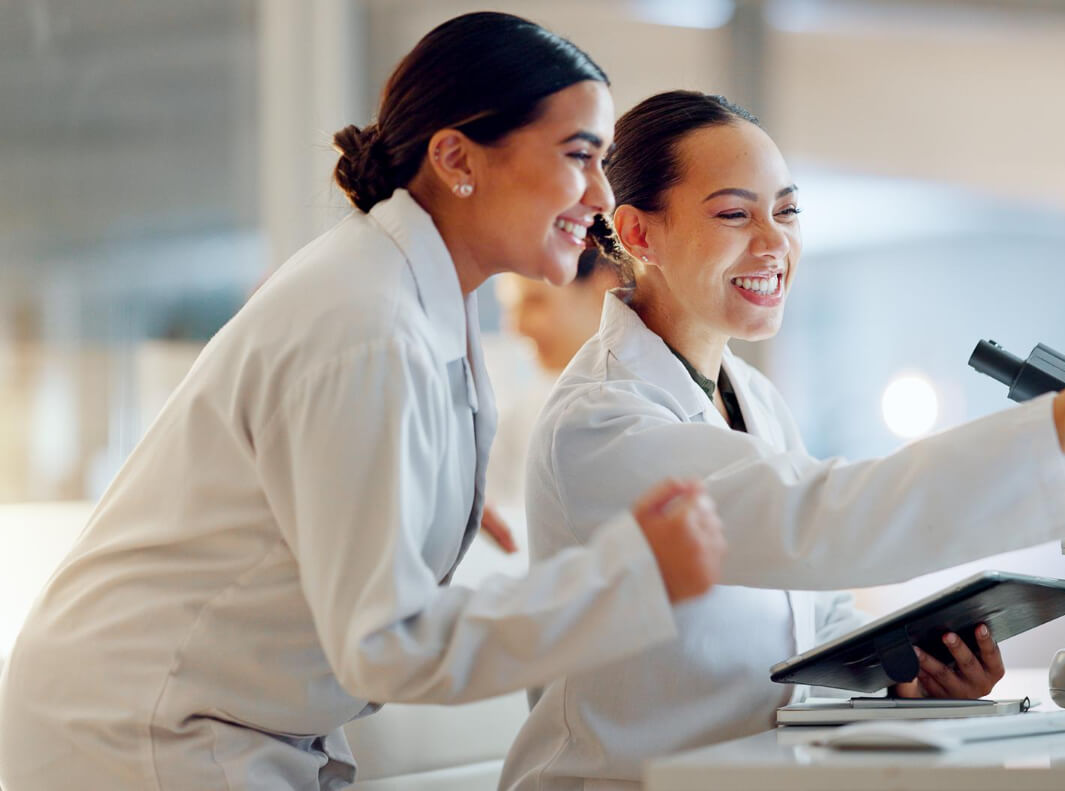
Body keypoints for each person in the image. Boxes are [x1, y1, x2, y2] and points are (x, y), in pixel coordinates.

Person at [0, 15, 726, 790]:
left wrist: (409, 481)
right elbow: (388, 641)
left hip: (206, 723)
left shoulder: (405, 295)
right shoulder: (369, 322)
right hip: (144, 734)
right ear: (455, 158)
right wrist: (631, 577)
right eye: (579, 155)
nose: (602, 194)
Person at [498, 90, 1065, 790]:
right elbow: (817, 521)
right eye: (735, 213)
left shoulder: (753, 400)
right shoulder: (602, 421)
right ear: (637, 234)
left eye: (787, 210)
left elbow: (814, 619)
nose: (774, 243)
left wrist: (908, 676)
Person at [478, 248, 620, 550]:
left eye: (535, 302)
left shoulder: (633, 410)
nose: (516, 327)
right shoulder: (531, 408)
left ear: (605, 288)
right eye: (510, 307)